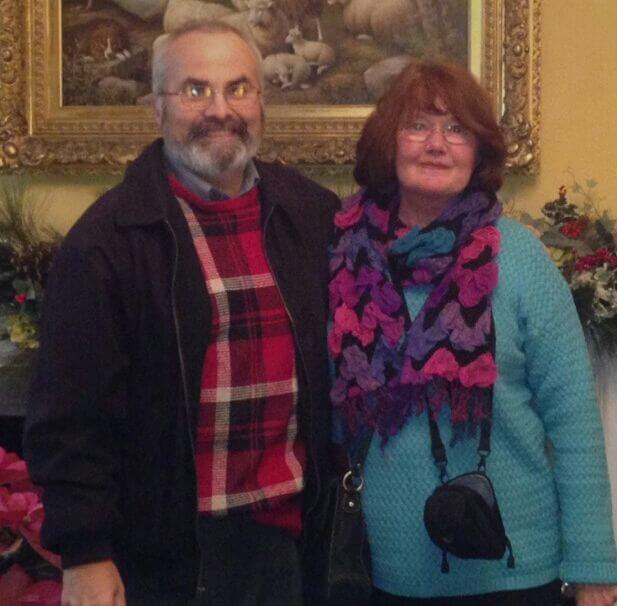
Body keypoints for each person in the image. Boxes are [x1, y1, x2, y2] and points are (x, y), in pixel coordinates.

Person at [24, 20, 339, 606]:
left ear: (263, 101)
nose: (220, 109)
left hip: (291, 545)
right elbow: (71, 417)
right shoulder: (107, 243)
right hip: (168, 555)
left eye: (238, 88)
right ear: (158, 109)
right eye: (196, 90)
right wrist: (86, 553)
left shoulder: (313, 217)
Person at [328, 60, 617, 606]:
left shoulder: (520, 259)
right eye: (417, 125)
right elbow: (332, 420)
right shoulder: (347, 261)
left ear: (479, 150)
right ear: (387, 143)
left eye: (456, 129)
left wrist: (595, 567)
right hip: (384, 575)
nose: (437, 143)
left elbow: (575, 424)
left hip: (514, 571)